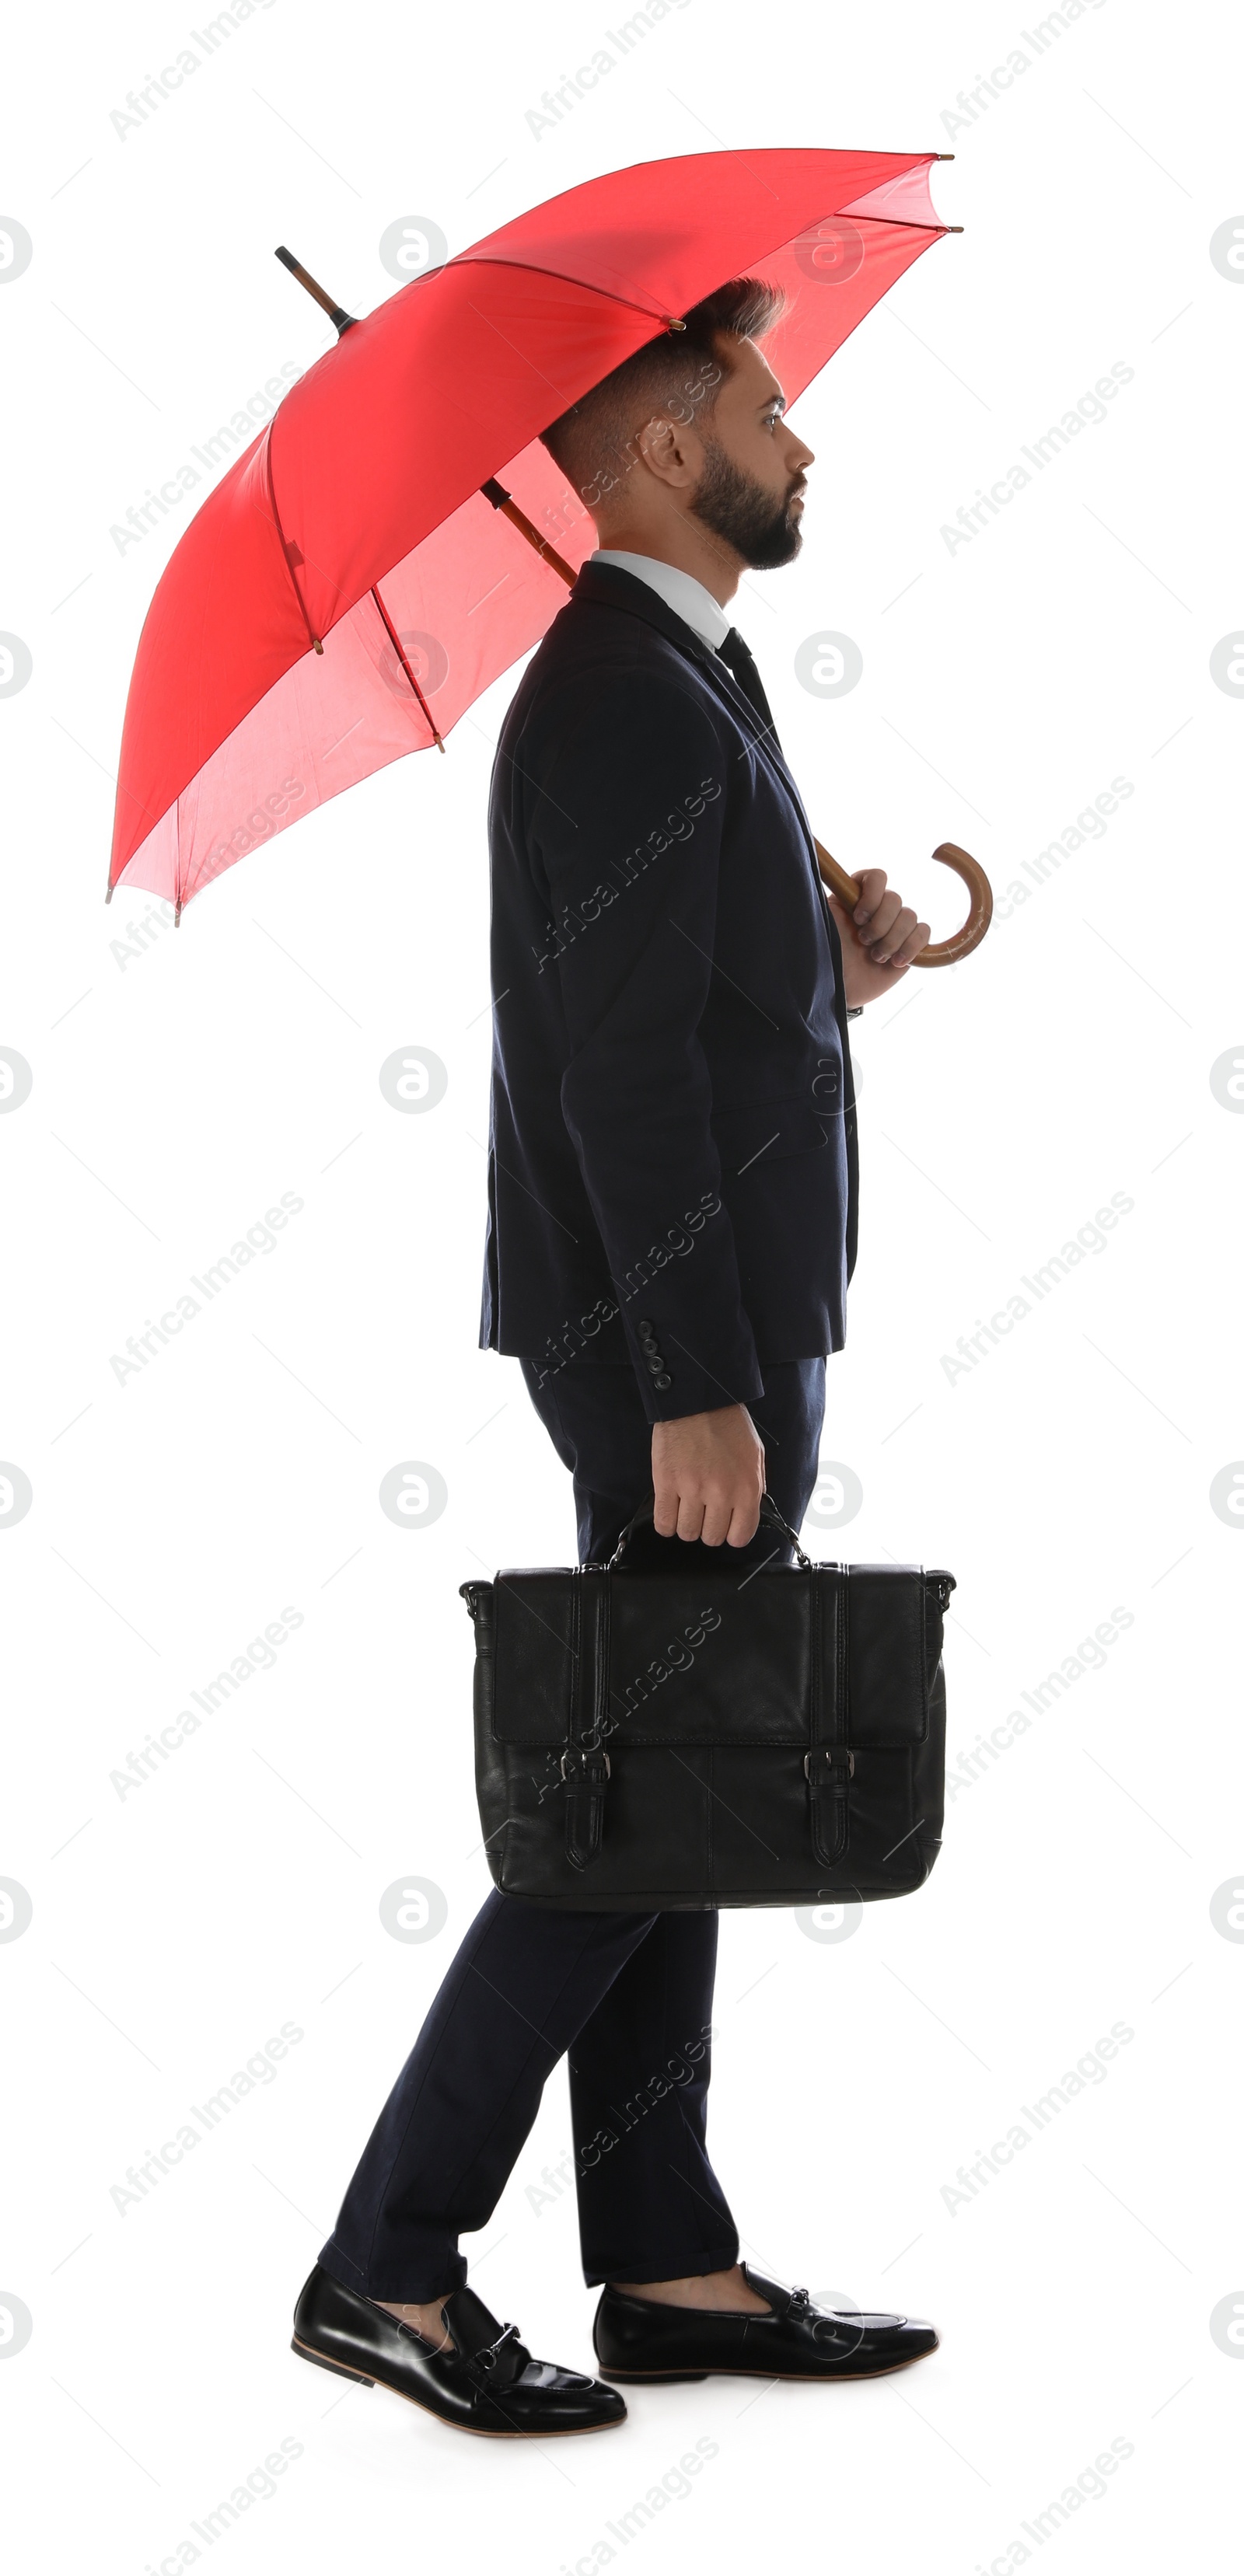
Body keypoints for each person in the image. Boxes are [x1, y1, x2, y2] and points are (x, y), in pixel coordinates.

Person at [292, 277, 938, 2437]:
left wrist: (831, 974)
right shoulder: (630, 702)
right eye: (767, 400)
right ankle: (389, 2261)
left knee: (673, 1781)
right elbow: (617, 1090)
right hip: (684, 1332)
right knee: (620, 1804)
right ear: (667, 445)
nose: (802, 436)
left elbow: (688, 1023)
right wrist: (691, 1376)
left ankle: (662, 2250)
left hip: (723, 1316)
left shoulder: (684, 675)